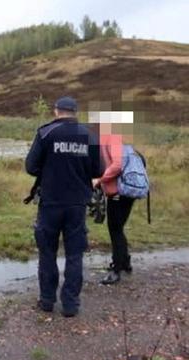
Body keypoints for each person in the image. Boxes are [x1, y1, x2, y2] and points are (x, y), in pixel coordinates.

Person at [25, 96, 103, 317]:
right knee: (74, 254)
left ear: (56, 111)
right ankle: (70, 304)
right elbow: (99, 170)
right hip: (77, 204)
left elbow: (31, 167)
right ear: (75, 112)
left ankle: (47, 301)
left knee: (47, 252)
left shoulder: (45, 133)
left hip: (50, 203)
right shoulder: (89, 135)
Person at [94, 118, 132, 285]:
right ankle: (124, 262)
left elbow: (117, 165)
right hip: (121, 191)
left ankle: (116, 270)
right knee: (118, 227)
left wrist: (99, 180)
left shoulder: (112, 138)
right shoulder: (110, 139)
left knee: (115, 229)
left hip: (120, 192)